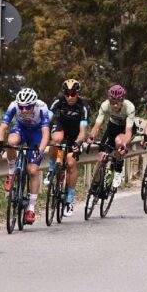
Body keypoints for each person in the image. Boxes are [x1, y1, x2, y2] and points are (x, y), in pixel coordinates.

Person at [0, 88, 51, 225]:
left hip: (37, 133)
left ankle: (31, 208)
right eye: (22, 107)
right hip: (21, 128)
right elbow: (3, 128)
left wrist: (40, 150)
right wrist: (0, 146)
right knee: (11, 142)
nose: (24, 110)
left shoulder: (42, 108)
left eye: (28, 107)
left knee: (32, 170)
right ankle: (11, 172)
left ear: (34, 104)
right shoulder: (13, 105)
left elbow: (45, 133)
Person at [47, 79, 90, 217]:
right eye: (67, 93)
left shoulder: (83, 105)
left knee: (71, 162)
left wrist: (78, 143)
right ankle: (52, 168)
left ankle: (69, 199)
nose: (70, 97)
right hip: (61, 129)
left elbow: (83, 131)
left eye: (73, 94)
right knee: (56, 140)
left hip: (75, 135)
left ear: (78, 93)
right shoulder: (58, 100)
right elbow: (47, 118)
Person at [89, 84, 136, 190]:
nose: (115, 105)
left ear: (122, 100)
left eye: (117, 102)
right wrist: (92, 136)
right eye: (112, 103)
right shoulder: (105, 105)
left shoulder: (129, 107)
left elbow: (128, 132)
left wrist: (124, 144)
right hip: (113, 126)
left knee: (118, 142)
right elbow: (97, 125)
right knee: (101, 157)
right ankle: (95, 186)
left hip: (125, 128)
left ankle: (118, 169)